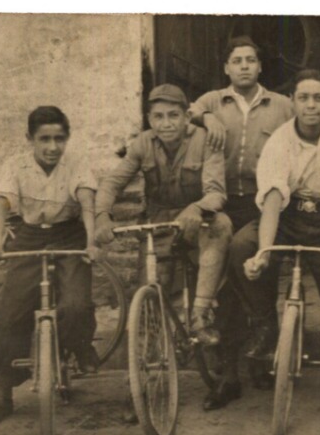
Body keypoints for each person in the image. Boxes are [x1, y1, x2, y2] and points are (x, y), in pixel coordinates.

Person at [187, 36, 295, 410]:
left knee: (259, 274)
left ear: (261, 67)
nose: (245, 66)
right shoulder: (212, 101)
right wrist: (206, 116)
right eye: (237, 60)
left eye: (251, 59)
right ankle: (228, 377)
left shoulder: (282, 106)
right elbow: (184, 114)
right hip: (221, 203)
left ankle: (263, 363)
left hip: (265, 200)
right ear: (226, 68)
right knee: (225, 290)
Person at [0, 106, 102, 428]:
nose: (52, 147)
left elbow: (88, 203)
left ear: (67, 138)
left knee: (76, 304)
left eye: (59, 139)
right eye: (44, 139)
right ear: (30, 139)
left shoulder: (76, 164)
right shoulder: (15, 166)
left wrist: (90, 243)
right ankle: (3, 397)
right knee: (12, 315)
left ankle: (79, 346)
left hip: (70, 235)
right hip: (29, 237)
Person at [95, 84, 232, 346]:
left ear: (186, 117)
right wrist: (102, 215)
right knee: (151, 293)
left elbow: (217, 193)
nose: (166, 123)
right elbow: (112, 183)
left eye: (173, 115)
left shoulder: (205, 140)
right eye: (158, 116)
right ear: (149, 119)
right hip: (158, 224)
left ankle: (200, 314)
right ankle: (149, 357)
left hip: (195, 221)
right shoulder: (142, 143)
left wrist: (196, 208)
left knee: (221, 225)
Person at [229, 69, 320, 363]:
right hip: (287, 216)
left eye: (318, 98)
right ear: (292, 102)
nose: (311, 105)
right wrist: (262, 252)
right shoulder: (280, 140)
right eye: (303, 98)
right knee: (241, 246)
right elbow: (273, 199)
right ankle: (264, 324)